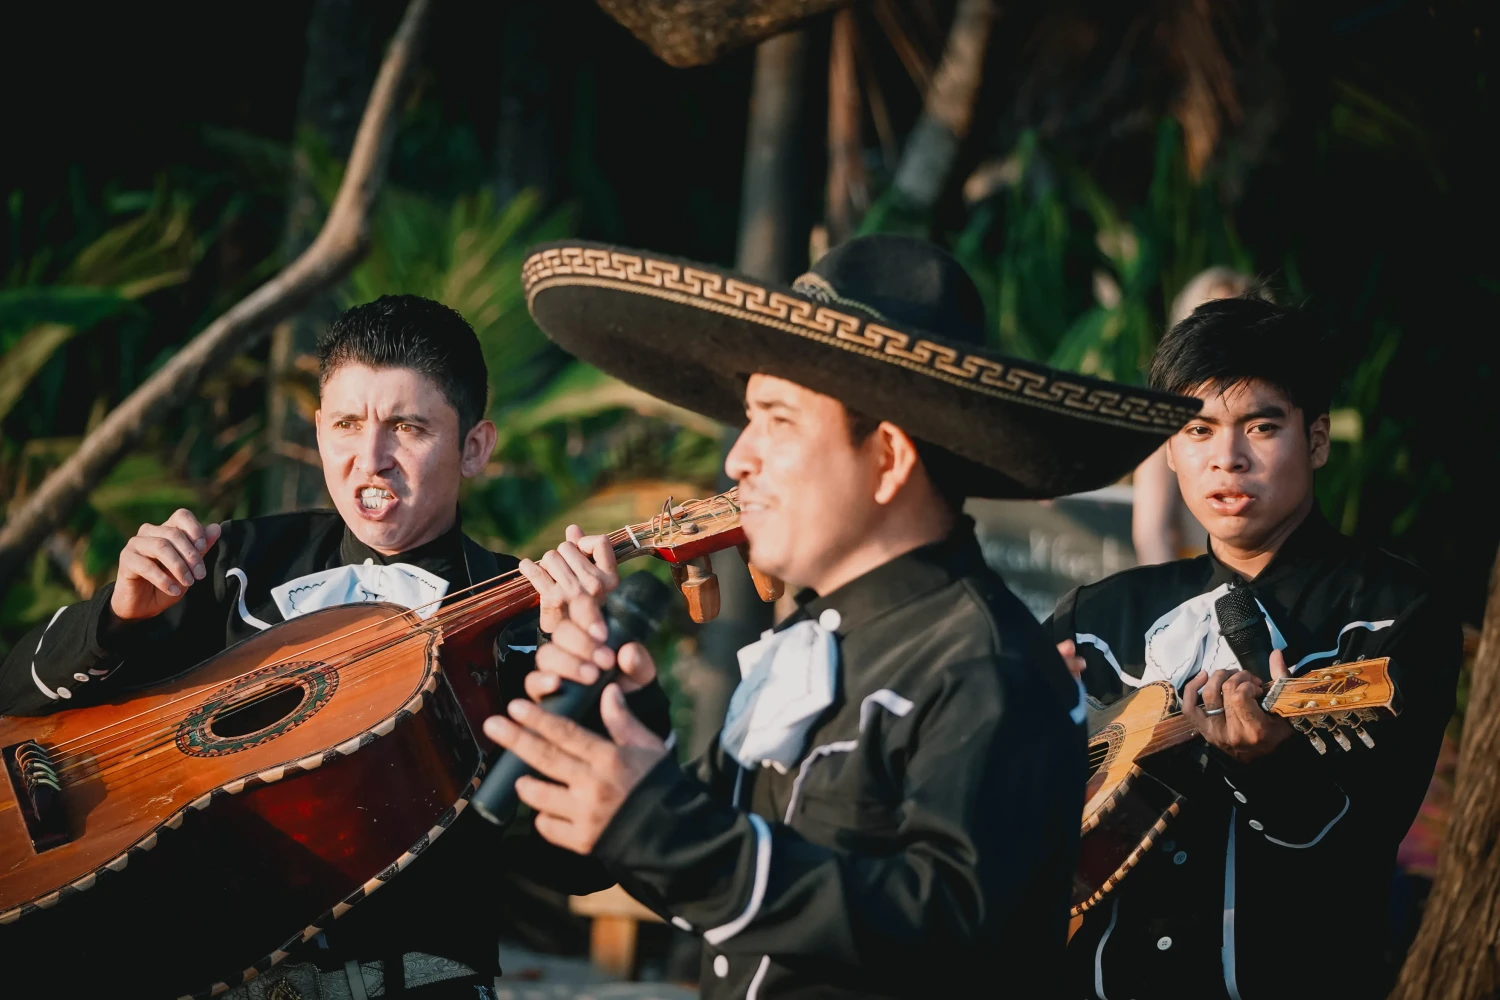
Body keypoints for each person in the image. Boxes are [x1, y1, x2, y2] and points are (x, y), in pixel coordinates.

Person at [481, 234, 1199, 998]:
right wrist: (606, 724)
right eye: (748, 419)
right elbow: (681, 858)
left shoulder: (987, 668)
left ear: (887, 459)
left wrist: (665, 832)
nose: (738, 459)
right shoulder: (807, 642)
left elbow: (956, 931)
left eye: (778, 420)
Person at [0, 296, 668, 997]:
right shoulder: (232, 563)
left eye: (408, 427)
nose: (370, 460)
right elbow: (15, 696)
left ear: (474, 448)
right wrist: (116, 615)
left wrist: (585, 670)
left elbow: (579, 867)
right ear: (319, 429)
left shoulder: (530, 617)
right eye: (347, 424)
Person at [1051, 296, 1461, 999]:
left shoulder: (1390, 616)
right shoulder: (1099, 616)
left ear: (1318, 440)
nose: (1227, 459)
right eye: (1199, 430)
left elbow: (1358, 850)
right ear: (1170, 449)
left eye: (1261, 427)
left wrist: (1273, 768)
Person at [1131, 268, 1257, 565]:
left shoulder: (1282, 408)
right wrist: (1175, 605)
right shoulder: (1168, 418)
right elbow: (1152, 533)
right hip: (1198, 584)